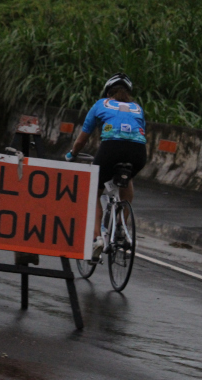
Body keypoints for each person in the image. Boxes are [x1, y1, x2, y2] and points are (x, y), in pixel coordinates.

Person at [65, 73, 147, 261]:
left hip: (111, 149)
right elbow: (140, 133)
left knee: (93, 191)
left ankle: (97, 239)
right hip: (138, 152)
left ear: (108, 92)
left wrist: (72, 154)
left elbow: (82, 138)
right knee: (128, 180)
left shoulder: (101, 104)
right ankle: (121, 227)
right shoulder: (137, 108)